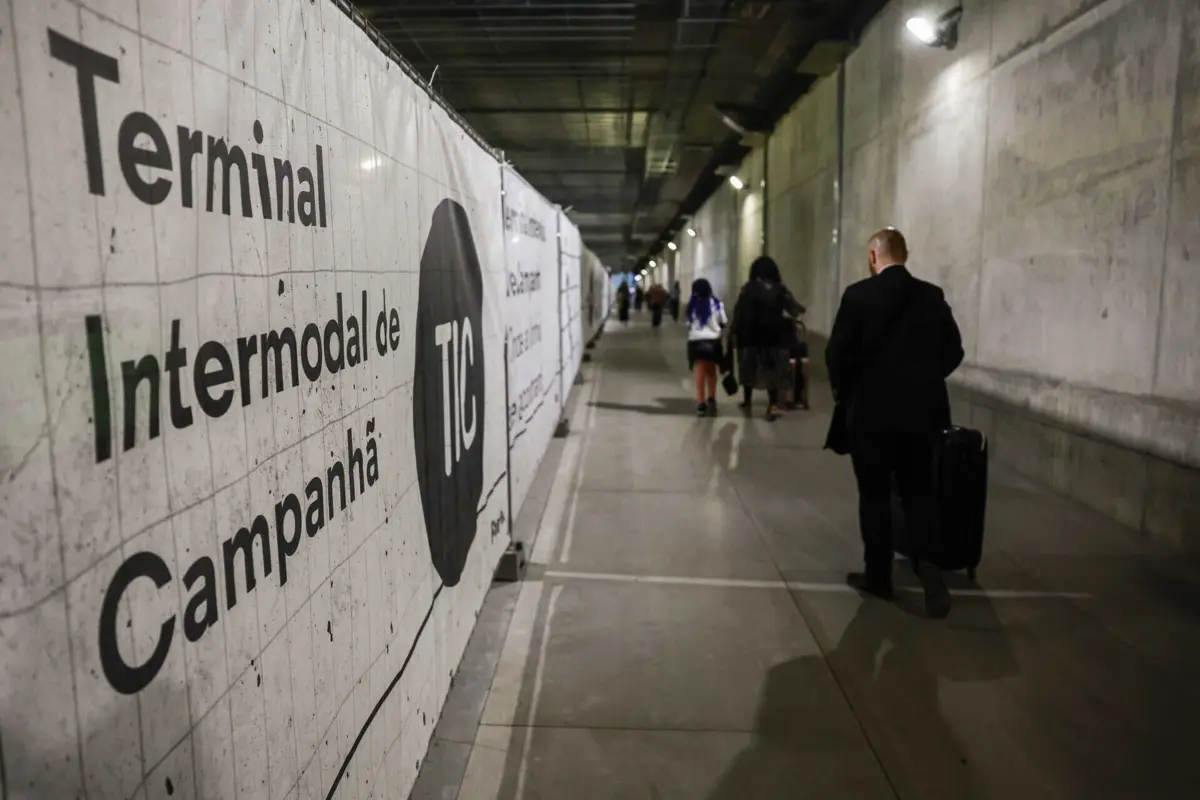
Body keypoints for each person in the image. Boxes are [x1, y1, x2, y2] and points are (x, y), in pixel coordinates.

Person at [825, 227, 964, 619]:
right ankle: (929, 571)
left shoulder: (858, 296)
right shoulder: (931, 296)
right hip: (922, 417)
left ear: (873, 256)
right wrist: (925, 381)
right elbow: (954, 351)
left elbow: (837, 356)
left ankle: (879, 578)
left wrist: (848, 394)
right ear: (905, 254)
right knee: (919, 493)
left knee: (874, 495)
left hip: (870, 417)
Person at [729, 256, 804, 421]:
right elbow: (795, 309)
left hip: (749, 336)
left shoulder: (748, 289)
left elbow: (738, 312)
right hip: (774, 337)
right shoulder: (780, 289)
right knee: (772, 370)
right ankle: (773, 403)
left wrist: (733, 332)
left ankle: (747, 400)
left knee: (748, 368)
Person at [685, 278, 727, 416]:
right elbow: (724, 321)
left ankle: (701, 403)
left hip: (696, 342)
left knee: (699, 374)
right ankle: (712, 399)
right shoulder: (717, 303)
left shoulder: (692, 305)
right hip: (713, 342)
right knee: (711, 373)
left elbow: (688, 323)